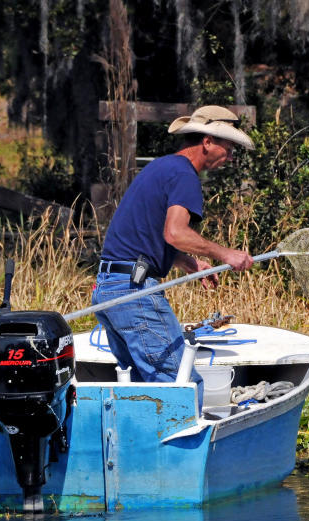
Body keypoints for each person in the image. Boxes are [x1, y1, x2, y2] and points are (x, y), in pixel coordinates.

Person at [92, 105, 255, 398]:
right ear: (207, 141)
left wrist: (190, 263)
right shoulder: (185, 176)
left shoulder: (162, 167)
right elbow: (175, 232)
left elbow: (148, 235)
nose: (230, 157)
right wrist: (225, 254)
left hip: (109, 288)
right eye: (229, 148)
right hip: (134, 293)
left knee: (141, 389)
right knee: (181, 386)